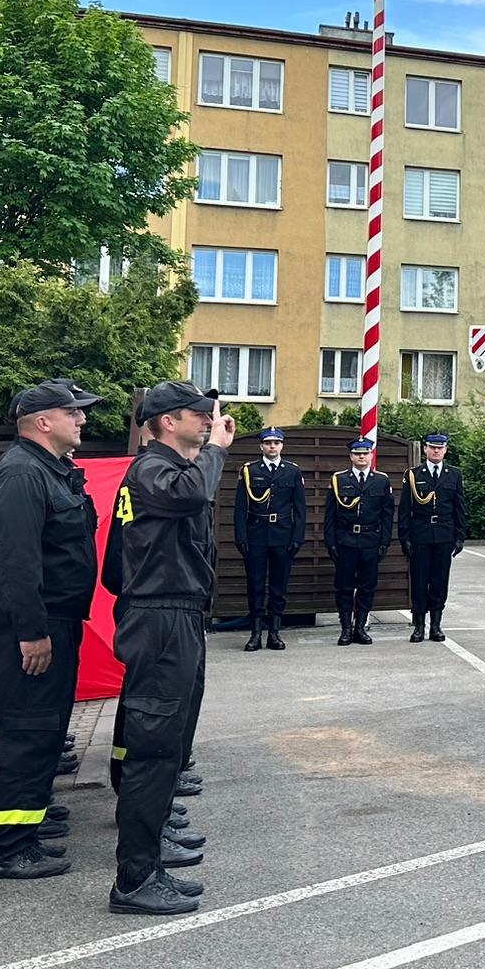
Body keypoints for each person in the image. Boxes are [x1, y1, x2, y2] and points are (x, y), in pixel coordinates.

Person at [102, 381, 235, 916]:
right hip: (160, 617)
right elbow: (191, 496)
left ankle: (150, 860)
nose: (207, 420)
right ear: (164, 422)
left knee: (167, 745)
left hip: (174, 613)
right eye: (195, 413)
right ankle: (134, 880)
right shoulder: (154, 470)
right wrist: (217, 450)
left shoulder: (171, 468)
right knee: (154, 750)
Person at [0, 378, 102, 881]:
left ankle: (28, 822)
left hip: (51, 621)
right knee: (25, 730)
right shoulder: (24, 474)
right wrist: (32, 631)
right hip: (28, 626)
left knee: (41, 727)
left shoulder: (48, 469)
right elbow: (15, 561)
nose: (82, 419)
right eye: (74, 412)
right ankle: (5, 849)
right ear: (43, 422)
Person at [232, 426, 304, 653]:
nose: (272, 446)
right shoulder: (249, 470)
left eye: (276, 443)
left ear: (282, 445)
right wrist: (241, 536)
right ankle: (255, 633)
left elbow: (299, 509)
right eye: (268, 443)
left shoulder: (292, 471)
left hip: (282, 534)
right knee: (255, 584)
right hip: (256, 534)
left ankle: (274, 632)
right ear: (261, 446)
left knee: (278, 585)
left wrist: (297, 537)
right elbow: (240, 508)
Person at [324, 438, 394, 646]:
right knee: (344, 587)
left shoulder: (381, 480)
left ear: (371, 455)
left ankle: (360, 628)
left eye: (365, 453)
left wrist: (384, 542)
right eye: (357, 453)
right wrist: (330, 542)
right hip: (345, 540)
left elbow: (387, 515)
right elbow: (330, 515)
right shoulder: (339, 479)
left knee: (367, 586)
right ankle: (346, 629)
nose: (361, 457)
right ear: (351, 456)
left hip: (370, 541)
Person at [397, 432, 466, 644]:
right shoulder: (413, 475)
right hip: (420, 535)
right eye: (432, 447)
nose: (436, 451)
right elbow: (405, 509)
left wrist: (460, 536)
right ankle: (419, 626)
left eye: (440, 448)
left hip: (444, 535)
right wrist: (404, 537)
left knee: (439, 581)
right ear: (425, 449)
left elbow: (459, 507)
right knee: (419, 582)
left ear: (445, 450)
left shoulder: (454, 474)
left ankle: (436, 625)